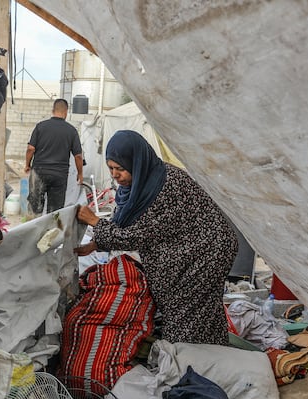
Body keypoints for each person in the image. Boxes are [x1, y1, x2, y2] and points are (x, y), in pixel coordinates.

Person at [74, 130, 238, 345]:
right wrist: (95, 245)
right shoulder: (140, 184)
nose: (115, 175)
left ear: (137, 163)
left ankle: (186, 362)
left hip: (206, 252)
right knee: (201, 312)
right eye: (111, 168)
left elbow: (135, 236)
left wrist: (95, 221)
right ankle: (211, 356)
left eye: (120, 169)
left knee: (184, 312)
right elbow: (124, 223)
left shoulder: (163, 187)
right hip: (187, 246)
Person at [24, 99, 83, 214]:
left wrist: (27, 165)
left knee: (34, 209)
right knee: (55, 212)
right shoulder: (71, 131)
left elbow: (30, 149)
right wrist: (80, 173)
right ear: (66, 112)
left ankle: (32, 229)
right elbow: (78, 156)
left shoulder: (40, 126)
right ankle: (52, 230)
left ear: (52, 110)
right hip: (59, 175)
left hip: (39, 172)